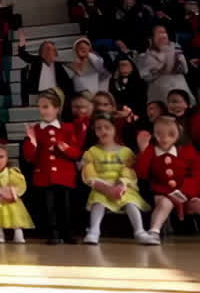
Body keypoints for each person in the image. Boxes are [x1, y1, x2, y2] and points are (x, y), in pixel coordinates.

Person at [82, 113, 150, 244]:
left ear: (114, 129)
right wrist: (105, 188)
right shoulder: (91, 152)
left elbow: (129, 170)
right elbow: (89, 173)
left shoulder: (126, 151)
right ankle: (94, 231)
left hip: (123, 186)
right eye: (99, 128)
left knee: (130, 203)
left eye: (107, 127)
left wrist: (121, 184)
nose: (103, 131)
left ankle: (139, 231)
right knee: (98, 202)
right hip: (101, 186)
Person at [23, 91, 81, 245]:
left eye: (46, 107)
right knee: (48, 206)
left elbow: (76, 153)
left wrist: (63, 147)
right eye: (40, 107)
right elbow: (30, 157)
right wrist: (32, 141)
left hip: (64, 174)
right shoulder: (35, 129)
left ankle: (67, 233)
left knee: (66, 205)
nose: (43, 111)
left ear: (57, 109)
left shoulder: (67, 128)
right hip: (44, 173)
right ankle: (53, 233)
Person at [135, 116, 199, 244]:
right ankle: (154, 232)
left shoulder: (187, 150)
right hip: (162, 191)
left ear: (179, 132)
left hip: (186, 192)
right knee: (165, 204)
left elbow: (197, 173)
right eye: (159, 134)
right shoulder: (151, 150)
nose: (164, 138)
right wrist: (143, 149)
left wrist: (188, 192)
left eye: (170, 134)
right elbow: (141, 173)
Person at [16, 34, 74, 107]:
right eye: (48, 49)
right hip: (39, 91)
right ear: (42, 53)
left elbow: (66, 82)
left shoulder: (57, 65)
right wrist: (21, 45)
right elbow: (23, 55)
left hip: (54, 92)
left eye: (52, 50)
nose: (51, 52)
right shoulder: (36, 60)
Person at [137, 25, 188, 104]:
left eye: (164, 32)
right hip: (159, 92)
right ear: (151, 39)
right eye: (159, 33)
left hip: (180, 87)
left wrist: (178, 62)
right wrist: (161, 69)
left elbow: (185, 70)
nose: (163, 35)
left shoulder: (176, 50)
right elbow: (146, 77)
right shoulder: (144, 56)